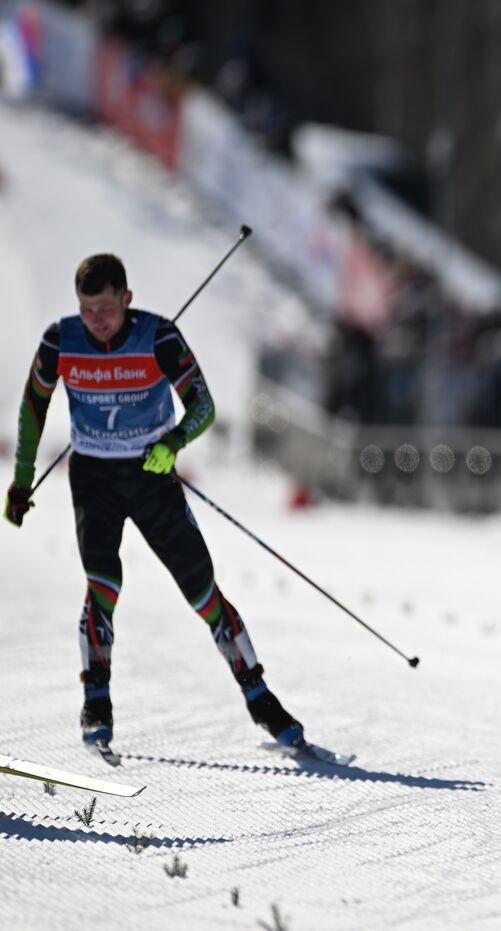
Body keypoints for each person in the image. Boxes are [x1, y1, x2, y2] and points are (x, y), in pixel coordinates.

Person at [4, 254, 304, 761]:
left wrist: (174, 441)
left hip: (150, 475)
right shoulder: (61, 340)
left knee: (201, 590)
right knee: (103, 583)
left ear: (127, 299)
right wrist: (20, 481)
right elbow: (32, 409)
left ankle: (259, 695)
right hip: (94, 477)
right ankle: (96, 700)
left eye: (105, 308)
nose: (95, 320)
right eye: (86, 309)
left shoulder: (159, 337)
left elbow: (203, 405)